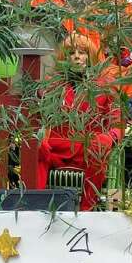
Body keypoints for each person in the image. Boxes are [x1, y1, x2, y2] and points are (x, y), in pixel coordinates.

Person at [37, 33, 121, 211]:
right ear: (64, 58)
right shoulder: (52, 85)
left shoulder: (105, 85)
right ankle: (35, 206)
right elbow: (41, 120)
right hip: (58, 146)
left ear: (90, 56)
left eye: (82, 52)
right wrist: (40, 137)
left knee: (99, 147)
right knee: (37, 148)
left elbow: (118, 126)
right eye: (71, 52)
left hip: (88, 147)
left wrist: (108, 138)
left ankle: (86, 210)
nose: (76, 56)